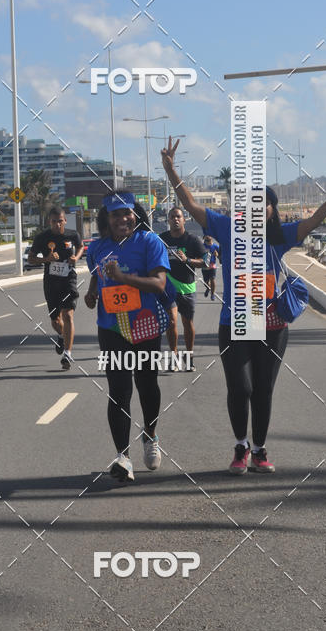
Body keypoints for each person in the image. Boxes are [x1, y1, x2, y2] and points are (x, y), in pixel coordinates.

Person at [161, 138, 326, 474]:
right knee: (240, 387)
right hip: (236, 322)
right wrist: (172, 172)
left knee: (263, 390)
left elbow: (313, 222)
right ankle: (240, 445)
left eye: (265, 204)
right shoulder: (228, 230)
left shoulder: (280, 235)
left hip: (273, 327)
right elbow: (192, 204)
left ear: (271, 210)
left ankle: (259, 450)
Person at [85, 193, 170, 482]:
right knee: (119, 391)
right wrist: (93, 289)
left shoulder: (150, 242)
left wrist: (123, 279)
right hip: (111, 328)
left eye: (127, 213)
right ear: (106, 220)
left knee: (147, 386)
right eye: (116, 215)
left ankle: (151, 434)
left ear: (136, 215)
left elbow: (159, 284)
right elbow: (98, 273)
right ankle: (123, 457)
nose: (123, 219)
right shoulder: (96, 248)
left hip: (145, 327)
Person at [28, 206, 83, 370]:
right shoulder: (42, 237)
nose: (57, 224)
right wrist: (46, 259)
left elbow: (80, 247)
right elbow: (30, 259)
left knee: (67, 315)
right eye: (54, 222)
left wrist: (76, 257)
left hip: (69, 279)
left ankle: (68, 354)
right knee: (55, 320)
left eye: (60, 221)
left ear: (65, 220)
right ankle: (61, 336)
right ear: (49, 222)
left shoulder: (73, 234)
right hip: (51, 282)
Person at [160, 207, 208, 372]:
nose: (175, 219)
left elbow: (204, 262)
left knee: (187, 323)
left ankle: (189, 357)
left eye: (178, 216)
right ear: (168, 220)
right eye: (172, 217)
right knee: (171, 321)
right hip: (169, 287)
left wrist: (187, 260)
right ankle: (173, 358)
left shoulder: (192, 240)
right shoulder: (162, 239)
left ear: (184, 220)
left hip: (187, 287)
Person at [202, 235, 219, 301]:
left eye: (210, 240)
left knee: (212, 279)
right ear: (204, 240)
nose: (209, 242)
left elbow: (220, 255)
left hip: (212, 265)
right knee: (206, 281)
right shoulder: (202, 246)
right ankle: (208, 288)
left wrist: (217, 254)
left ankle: (212, 294)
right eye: (207, 240)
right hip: (204, 265)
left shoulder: (215, 246)